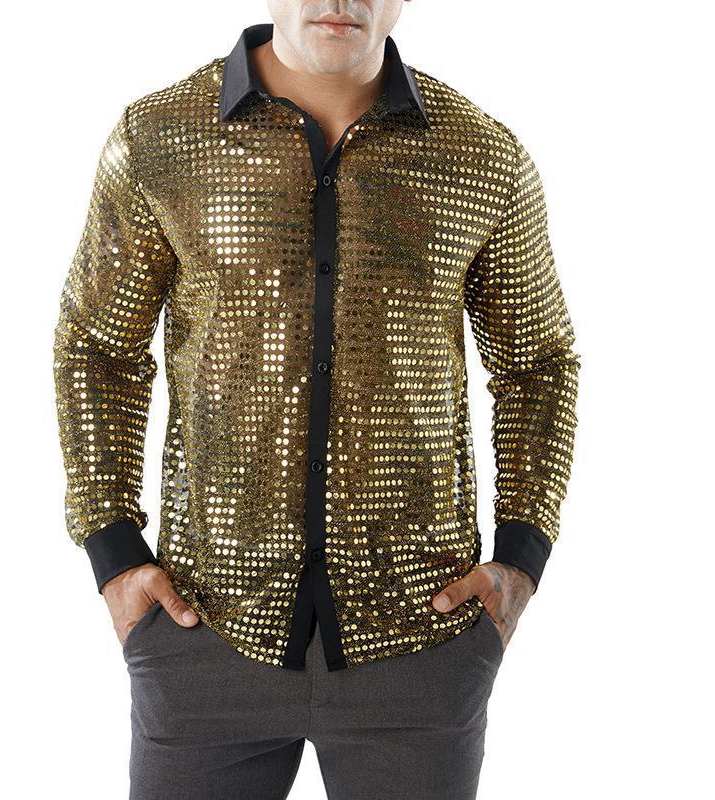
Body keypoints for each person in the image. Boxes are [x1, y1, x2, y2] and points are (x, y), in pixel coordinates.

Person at [53, 3, 581, 798]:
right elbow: (96, 345)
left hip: (420, 639)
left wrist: (520, 558)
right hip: (205, 629)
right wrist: (114, 553)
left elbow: (538, 362)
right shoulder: (160, 138)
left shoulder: (481, 156)